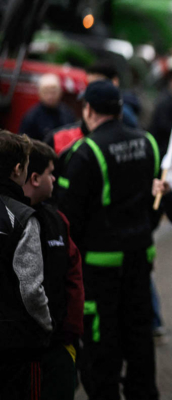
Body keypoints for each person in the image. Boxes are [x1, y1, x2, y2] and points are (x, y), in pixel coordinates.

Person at [55, 80, 161, 400]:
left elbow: (68, 219)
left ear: (88, 110)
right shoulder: (149, 144)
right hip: (141, 259)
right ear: (119, 108)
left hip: (99, 270)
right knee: (140, 335)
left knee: (101, 344)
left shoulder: (83, 153)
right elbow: (156, 205)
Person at [22, 140, 84, 400]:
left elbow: (73, 277)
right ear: (35, 178)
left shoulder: (56, 220)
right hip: (29, 347)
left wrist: (69, 333)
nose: (55, 179)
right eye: (50, 172)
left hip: (60, 342)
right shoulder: (15, 221)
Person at [1, 131, 53, 400]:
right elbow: (31, 289)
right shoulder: (23, 218)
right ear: (19, 169)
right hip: (17, 343)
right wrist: (46, 324)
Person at [19, 73, 75, 141]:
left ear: (60, 92)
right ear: (39, 93)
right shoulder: (31, 117)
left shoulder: (68, 114)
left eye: (53, 92)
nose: (50, 96)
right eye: (46, 92)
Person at [86, 61, 141, 128]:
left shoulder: (125, 112)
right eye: (90, 85)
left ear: (115, 81)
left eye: (99, 83)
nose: (93, 89)